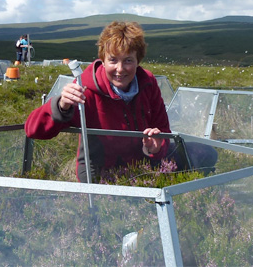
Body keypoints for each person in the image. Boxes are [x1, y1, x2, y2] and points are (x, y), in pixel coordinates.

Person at [25, 21, 170, 182]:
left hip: (142, 171)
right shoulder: (85, 89)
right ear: (102, 60)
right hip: (98, 176)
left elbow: (163, 130)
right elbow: (33, 131)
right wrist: (61, 105)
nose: (120, 69)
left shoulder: (148, 84)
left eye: (128, 60)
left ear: (138, 61)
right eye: (113, 60)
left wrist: (157, 147)